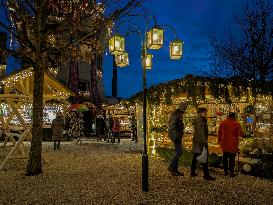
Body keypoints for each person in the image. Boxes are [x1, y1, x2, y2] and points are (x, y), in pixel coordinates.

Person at [190, 107, 216, 180]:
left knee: (195, 157)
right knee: (204, 158)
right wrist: (205, 141)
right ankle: (206, 175)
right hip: (201, 142)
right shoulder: (201, 121)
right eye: (205, 112)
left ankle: (192, 171)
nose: (206, 114)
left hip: (197, 142)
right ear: (200, 113)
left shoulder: (200, 120)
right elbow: (201, 133)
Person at [218, 112, 243, 177]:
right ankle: (231, 172)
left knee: (225, 158)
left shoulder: (222, 123)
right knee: (232, 159)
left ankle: (225, 171)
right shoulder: (236, 123)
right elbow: (240, 134)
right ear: (234, 117)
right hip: (233, 143)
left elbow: (219, 133)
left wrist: (219, 142)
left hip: (224, 143)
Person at [167, 102, 188, 176]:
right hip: (176, 136)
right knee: (179, 152)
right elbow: (172, 126)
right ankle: (171, 167)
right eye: (185, 108)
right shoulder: (176, 115)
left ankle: (174, 170)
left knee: (178, 151)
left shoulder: (177, 114)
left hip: (177, 135)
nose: (185, 110)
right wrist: (176, 135)